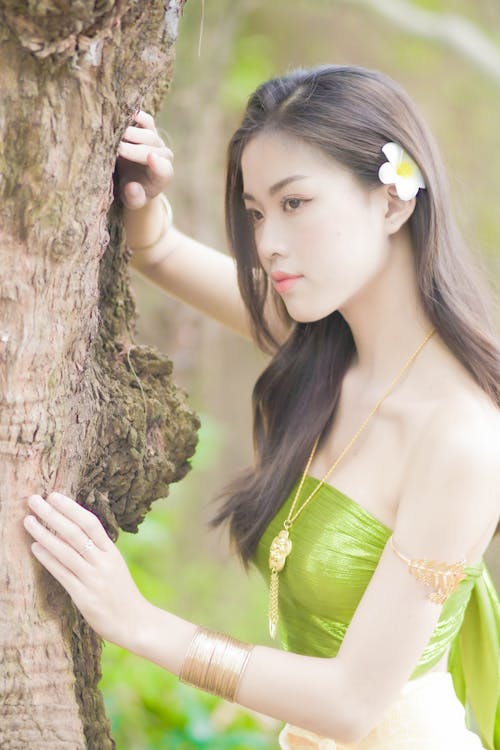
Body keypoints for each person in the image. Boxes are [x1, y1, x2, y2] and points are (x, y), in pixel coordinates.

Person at [23, 65, 499, 749]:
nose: (267, 241)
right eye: (255, 212)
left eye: (295, 203)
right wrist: (139, 185)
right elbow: (157, 249)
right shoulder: (324, 350)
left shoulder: (464, 439)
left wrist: (141, 624)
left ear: (393, 202)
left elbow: (353, 702)